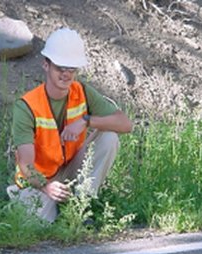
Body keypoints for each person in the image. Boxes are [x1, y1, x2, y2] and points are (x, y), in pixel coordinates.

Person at [7, 27, 133, 223]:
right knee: (34, 224)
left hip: (72, 168)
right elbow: (26, 164)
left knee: (109, 137)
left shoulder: (82, 91)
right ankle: (56, 208)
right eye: (60, 67)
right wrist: (46, 186)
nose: (66, 74)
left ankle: (80, 205)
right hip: (39, 182)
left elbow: (125, 124)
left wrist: (86, 121)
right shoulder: (27, 106)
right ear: (46, 65)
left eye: (71, 69)